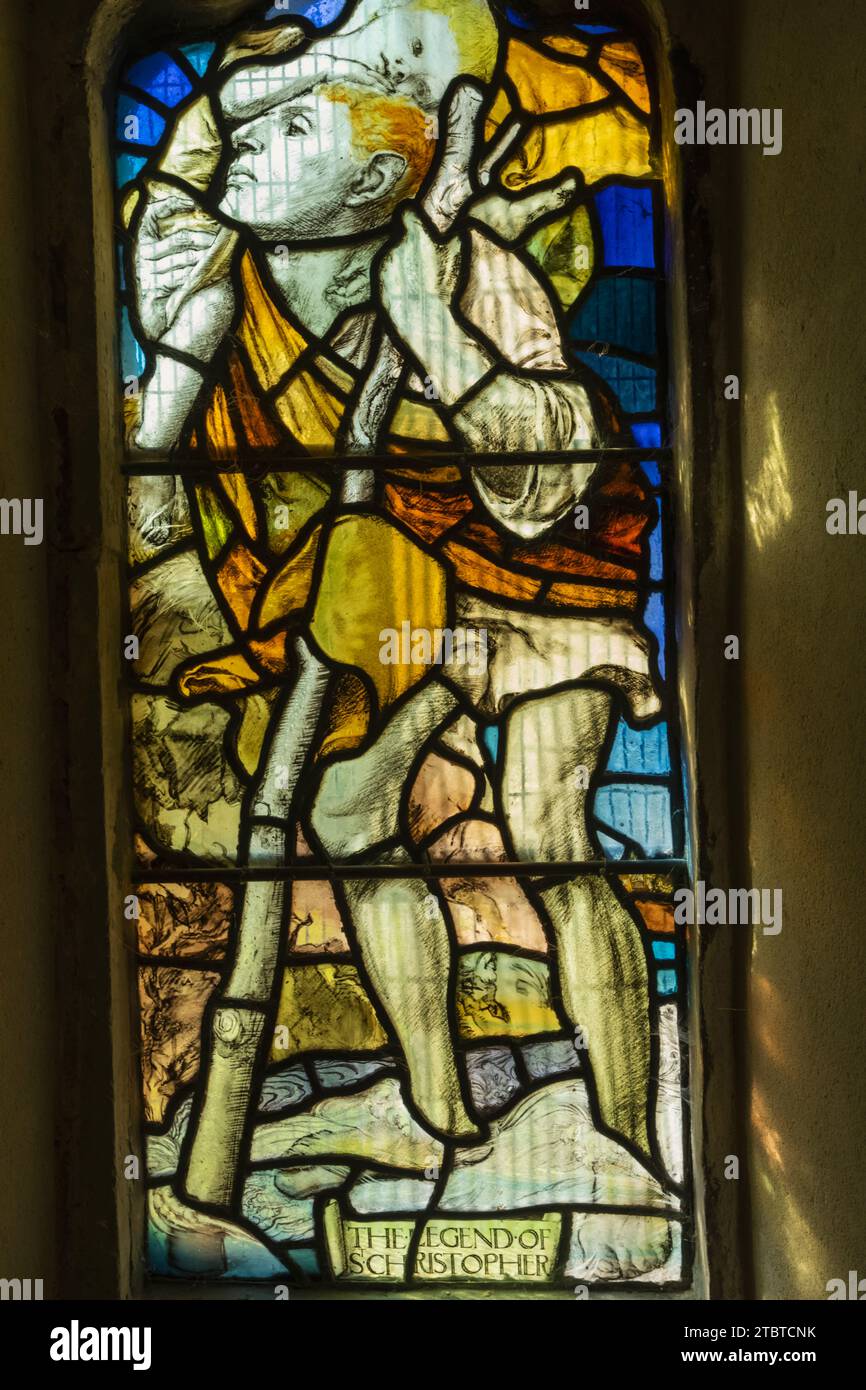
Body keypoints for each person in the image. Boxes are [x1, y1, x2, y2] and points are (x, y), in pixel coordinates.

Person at [128, 0, 668, 1232]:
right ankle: (443, 1111)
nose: (248, 137)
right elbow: (174, 215)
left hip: (542, 579)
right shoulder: (236, 273)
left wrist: (432, 326)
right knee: (340, 810)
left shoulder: (473, 266)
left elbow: (555, 468)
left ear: (379, 172)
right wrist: (229, 103)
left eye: (289, 121)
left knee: (545, 823)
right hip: (391, 574)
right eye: (245, 121)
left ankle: (627, 1133)